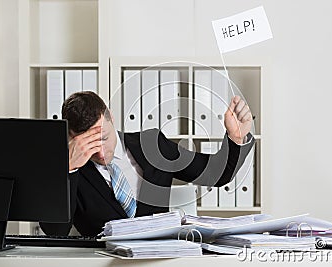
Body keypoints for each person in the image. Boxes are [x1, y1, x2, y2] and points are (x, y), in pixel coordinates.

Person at [40, 91, 255, 237]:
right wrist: (69, 169)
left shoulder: (152, 145)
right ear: (71, 137)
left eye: (103, 138)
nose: (99, 152)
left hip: (158, 262)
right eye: (88, 144)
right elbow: (54, 231)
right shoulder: (66, 167)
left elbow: (215, 175)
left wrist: (235, 138)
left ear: (111, 118)